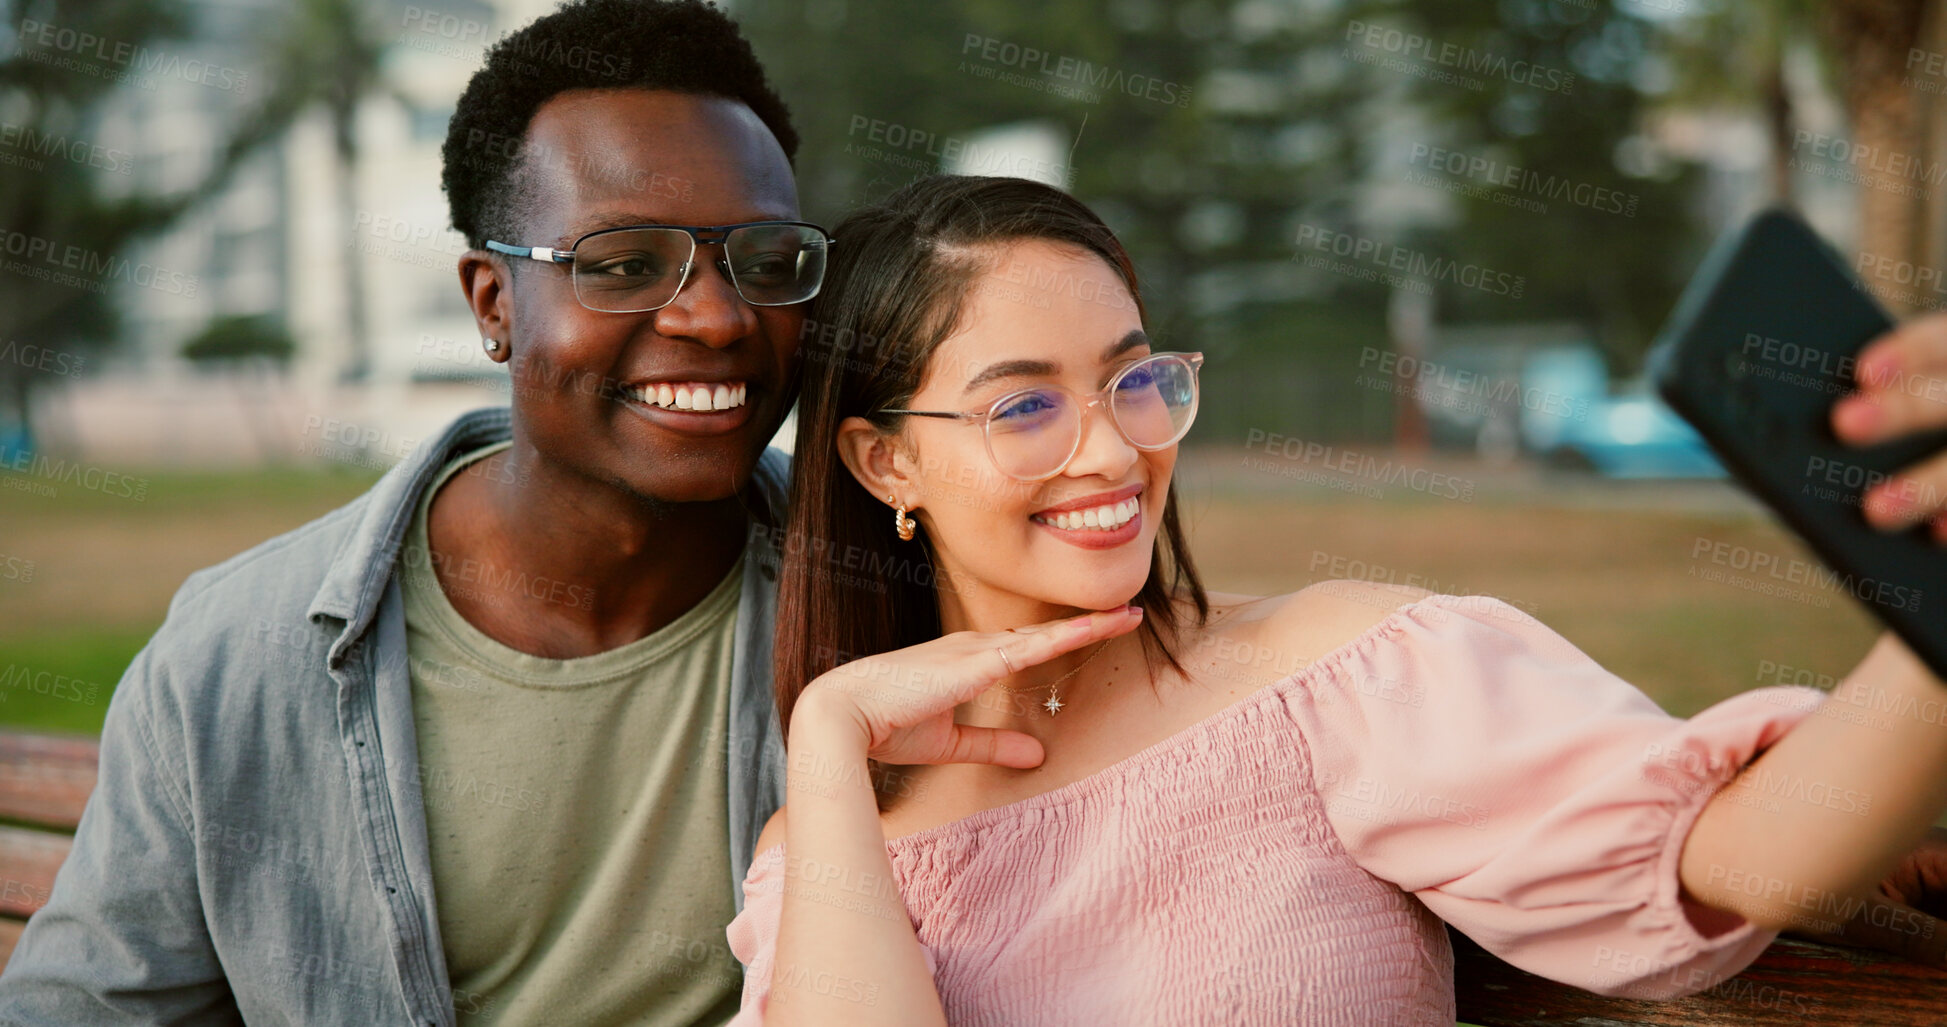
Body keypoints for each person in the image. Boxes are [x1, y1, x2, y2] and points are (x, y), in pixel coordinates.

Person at [724, 174, 1947, 1025]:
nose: (1110, 452)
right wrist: (830, 737)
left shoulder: (1337, 679)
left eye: (1133, 380)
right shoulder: (830, 849)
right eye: (1024, 406)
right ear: (886, 462)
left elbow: (1757, 859)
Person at [0, 1, 817, 1023]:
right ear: (492, 303)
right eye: (624, 264)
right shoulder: (234, 658)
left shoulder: (878, 612)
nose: (717, 315)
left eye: (768, 261)